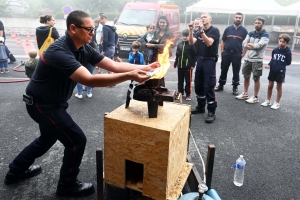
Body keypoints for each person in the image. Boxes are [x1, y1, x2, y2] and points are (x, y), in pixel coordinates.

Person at [4, 10, 159, 198]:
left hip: (52, 103)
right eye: (88, 30)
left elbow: (114, 65)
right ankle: (67, 186)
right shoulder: (59, 51)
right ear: (73, 28)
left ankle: (15, 171)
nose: (92, 33)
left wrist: (146, 68)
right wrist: (131, 76)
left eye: (93, 29)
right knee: (76, 140)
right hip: (41, 105)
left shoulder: (83, 47)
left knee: (47, 138)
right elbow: (89, 80)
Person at [188, 13, 220, 124]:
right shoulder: (198, 31)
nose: (203, 18)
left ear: (210, 19)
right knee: (198, 84)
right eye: (201, 17)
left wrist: (202, 31)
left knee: (209, 85)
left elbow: (209, 43)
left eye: (205, 17)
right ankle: (200, 107)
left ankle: (211, 111)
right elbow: (191, 42)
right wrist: (191, 30)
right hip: (200, 59)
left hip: (210, 60)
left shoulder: (214, 30)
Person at [236, 16, 270, 103]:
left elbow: (259, 46)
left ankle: (255, 97)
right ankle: (245, 93)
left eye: (259, 23)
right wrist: (251, 46)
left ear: (263, 24)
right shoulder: (251, 33)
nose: (257, 25)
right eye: (256, 23)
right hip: (247, 59)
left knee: (256, 78)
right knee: (246, 76)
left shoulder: (265, 35)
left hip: (257, 60)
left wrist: (250, 45)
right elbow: (244, 43)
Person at [214, 12, 248, 95]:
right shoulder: (228, 29)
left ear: (242, 19)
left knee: (236, 71)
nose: (238, 19)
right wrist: (222, 51)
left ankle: (235, 87)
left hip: (237, 54)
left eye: (239, 18)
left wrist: (243, 53)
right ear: (234, 18)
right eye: (236, 17)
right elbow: (223, 40)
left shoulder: (244, 31)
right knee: (223, 70)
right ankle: (221, 85)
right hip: (227, 53)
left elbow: (247, 43)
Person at [261, 34, 292, 109]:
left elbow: (288, 62)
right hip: (272, 70)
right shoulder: (275, 50)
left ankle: (277, 102)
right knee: (270, 86)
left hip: (280, 71)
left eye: (283, 42)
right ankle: (268, 100)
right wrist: (269, 64)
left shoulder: (288, 52)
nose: (281, 43)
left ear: (287, 43)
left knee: (279, 87)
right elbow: (272, 59)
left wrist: (280, 65)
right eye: (280, 41)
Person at [145, 15, 174, 87]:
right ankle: (152, 88)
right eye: (160, 22)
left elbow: (165, 45)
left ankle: (160, 88)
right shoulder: (155, 32)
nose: (162, 24)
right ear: (158, 23)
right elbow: (149, 41)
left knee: (161, 72)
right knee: (153, 71)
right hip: (154, 55)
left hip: (163, 55)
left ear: (166, 23)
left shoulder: (170, 33)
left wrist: (153, 45)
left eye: (163, 22)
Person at [74, 18, 100, 99]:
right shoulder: (93, 44)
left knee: (79, 78)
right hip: (91, 63)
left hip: (81, 62)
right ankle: (89, 93)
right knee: (90, 77)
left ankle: (80, 93)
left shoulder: (80, 43)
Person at [174, 29, 197, 101]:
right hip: (180, 66)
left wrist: (193, 64)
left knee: (188, 81)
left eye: (186, 36)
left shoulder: (191, 45)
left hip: (187, 66)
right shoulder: (179, 44)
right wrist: (175, 63)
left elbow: (195, 55)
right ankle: (180, 92)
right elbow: (177, 54)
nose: (185, 37)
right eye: (184, 36)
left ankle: (188, 94)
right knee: (180, 80)